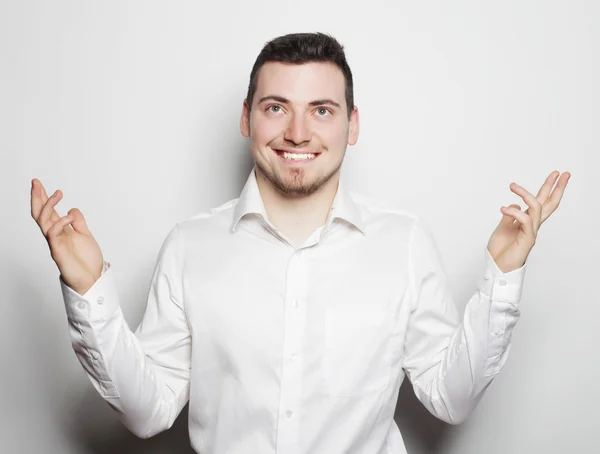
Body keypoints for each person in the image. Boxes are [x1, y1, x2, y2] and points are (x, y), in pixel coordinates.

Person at [30, 32, 570, 454]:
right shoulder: (190, 246)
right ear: (247, 119)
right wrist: (89, 293)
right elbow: (148, 413)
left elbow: (450, 399)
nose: (297, 132)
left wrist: (502, 275)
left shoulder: (402, 243)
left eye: (321, 109)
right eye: (275, 107)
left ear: (351, 125)